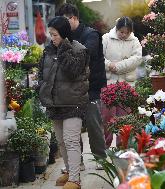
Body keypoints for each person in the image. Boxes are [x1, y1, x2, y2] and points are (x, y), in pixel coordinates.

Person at [38, 16, 89, 189]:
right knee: (61, 142)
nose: (52, 38)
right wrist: (42, 89)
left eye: (55, 35)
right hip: (55, 103)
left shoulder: (79, 50)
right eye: (50, 35)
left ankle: (75, 179)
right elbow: (42, 75)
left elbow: (73, 71)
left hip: (73, 103)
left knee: (71, 140)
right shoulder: (48, 50)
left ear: (64, 34)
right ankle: (69, 171)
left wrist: (64, 48)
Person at [57, 3, 107, 168]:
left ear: (74, 18)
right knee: (73, 127)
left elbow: (87, 53)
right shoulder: (62, 37)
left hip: (91, 87)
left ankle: (100, 158)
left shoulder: (91, 34)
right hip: (72, 88)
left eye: (65, 21)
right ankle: (77, 162)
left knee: (93, 124)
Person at [102, 16, 142, 147]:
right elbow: (98, 57)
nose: (124, 35)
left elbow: (136, 59)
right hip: (109, 85)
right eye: (121, 32)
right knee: (106, 118)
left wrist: (117, 66)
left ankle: (122, 149)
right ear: (116, 29)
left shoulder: (135, 41)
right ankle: (104, 150)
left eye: (127, 32)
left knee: (124, 118)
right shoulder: (106, 38)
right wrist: (109, 65)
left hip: (126, 85)